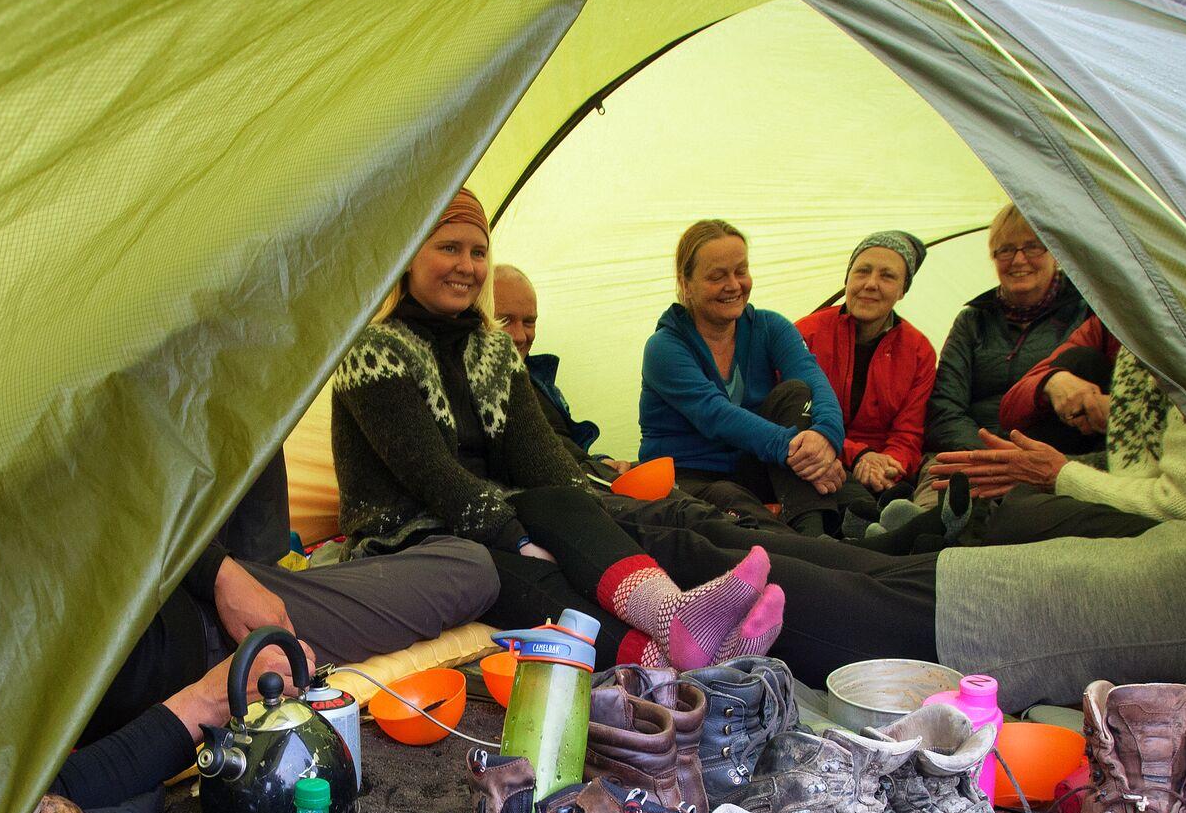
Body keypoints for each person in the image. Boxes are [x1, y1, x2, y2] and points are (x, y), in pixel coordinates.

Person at [624, 343, 1186, 708]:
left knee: (831, 583)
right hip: (1164, 542)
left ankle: (628, 523)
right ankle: (635, 516)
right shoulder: (1139, 340)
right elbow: (973, 404)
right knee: (855, 562)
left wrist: (873, 453)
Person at [332, 189, 782, 670]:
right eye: (449, 248)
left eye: (478, 251)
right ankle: (672, 659)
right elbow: (429, 473)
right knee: (503, 569)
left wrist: (589, 520)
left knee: (564, 501)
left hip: (485, 510)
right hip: (405, 533)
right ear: (407, 256)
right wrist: (518, 537)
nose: (467, 265)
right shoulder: (371, 350)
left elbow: (540, 457)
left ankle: (676, 617)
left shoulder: (493, 350)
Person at [57, 535, 498, 813]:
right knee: (468, 572)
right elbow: (47, 801)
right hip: (196, 680)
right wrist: (208, 700)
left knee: (473, 566)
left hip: (197, 593)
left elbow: (134, 503)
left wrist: (219, 573)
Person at [638, 219, 848, 527]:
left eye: (741, 271)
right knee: (739, 506)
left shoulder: (770, 326)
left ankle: (854, 525)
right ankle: (821, 537)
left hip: (751, 464)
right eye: (717, 276)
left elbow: (813, 378)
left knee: (795, 394)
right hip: (688, 474)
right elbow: (714, 414)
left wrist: (825, 437)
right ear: (686, 284)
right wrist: (799, 451)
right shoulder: (665, 348)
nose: (734, 285)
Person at [924, 204, 1097, 462]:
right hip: (972, 453)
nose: (1018, 260)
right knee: (941, 492)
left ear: (1056, 253)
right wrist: (990, 454)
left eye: (1032, 247)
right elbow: (944, 408)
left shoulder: (1087, 315)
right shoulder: (972, 321)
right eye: (1005, 250)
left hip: (1055, 458)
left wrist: (1029, 461)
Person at [794, 230, 934, 522]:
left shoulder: (919, 351)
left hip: (883, 472)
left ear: (903, 291)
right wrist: (857, 455)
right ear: (847, 280)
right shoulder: (805, 333)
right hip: (818, 457)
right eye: (862, 272)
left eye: (887, 276)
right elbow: (793, 414)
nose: (871, 284)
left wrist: (887, 465)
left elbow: (908, 433)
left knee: (898, 497)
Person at [492, 263, 615, 474]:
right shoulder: (481, 394)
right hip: (563, 490)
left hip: (585, 477)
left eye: (529, 322)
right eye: (505, 320)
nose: (520, 336)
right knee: (680, 507)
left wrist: (601, 462)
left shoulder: (538, 379)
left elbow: (566, 446)